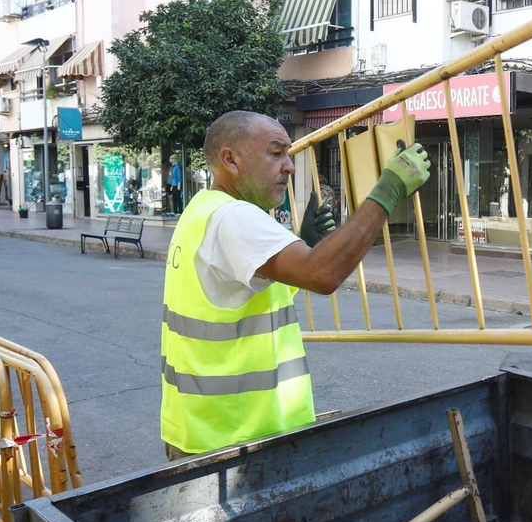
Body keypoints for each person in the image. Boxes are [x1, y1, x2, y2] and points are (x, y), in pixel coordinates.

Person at [160, 111, 432, 460]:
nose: (288, 166)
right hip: (234, 444)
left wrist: (304, 243)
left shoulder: (202, 209)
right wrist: (387, 190)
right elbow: (323, 274)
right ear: (230, 160)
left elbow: (239, 295)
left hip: (200, 432)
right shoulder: (234, 217)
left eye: (288, 155)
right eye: (276, 154)